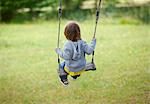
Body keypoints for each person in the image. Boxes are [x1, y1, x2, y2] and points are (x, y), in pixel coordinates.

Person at [55, 21, 96, 86]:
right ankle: (75, 76)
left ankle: (64, 79)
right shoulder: (82, 43)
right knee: (77, 66)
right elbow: (89, 51)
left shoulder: (67, 45)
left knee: (61, 66)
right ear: (78, 33)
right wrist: (93, 42)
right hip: (81, 67)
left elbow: (66, 56)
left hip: (70, 68)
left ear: (66, 33)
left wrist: (59, 51)